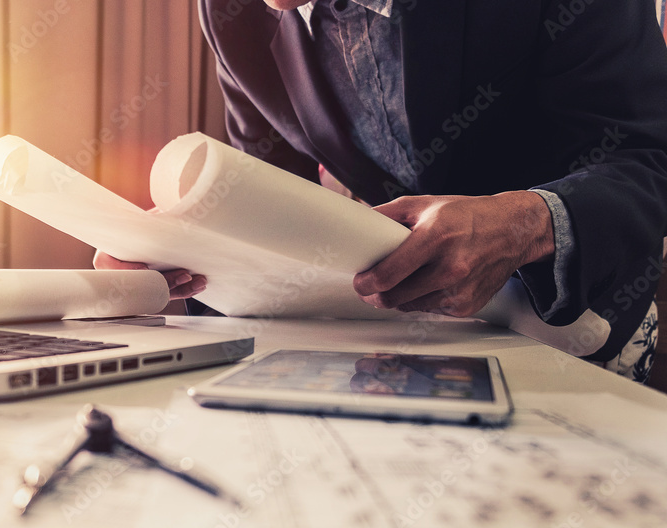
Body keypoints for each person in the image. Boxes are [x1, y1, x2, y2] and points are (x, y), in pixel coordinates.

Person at [96, 0, 667, 382]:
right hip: (389, 341)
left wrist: (524, 222)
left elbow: (649, 158)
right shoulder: (232, 12)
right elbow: (267, 200)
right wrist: (186, 257)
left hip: (574, 329)